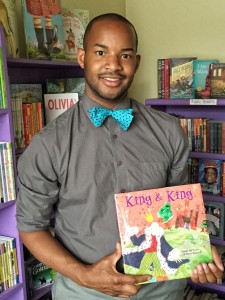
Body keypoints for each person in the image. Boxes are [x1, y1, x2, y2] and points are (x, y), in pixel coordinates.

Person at [16, 13, 223, 300]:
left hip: (162, 290)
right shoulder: (48, 145)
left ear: (136, 62)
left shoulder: (169, 131)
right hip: (83, 292)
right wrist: (85, 276)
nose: (113, 64)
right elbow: (31, 227)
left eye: (124, 55)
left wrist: (196, 248)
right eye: (101, 52)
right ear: (82, 57)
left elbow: (177, 212)